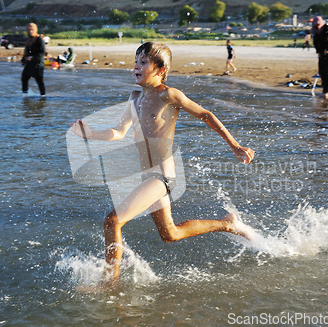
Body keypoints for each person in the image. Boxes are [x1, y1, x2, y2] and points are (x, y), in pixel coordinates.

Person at [70, 42, 255, 285]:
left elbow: (205, 114)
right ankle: (228, 224)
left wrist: (234, 145)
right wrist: (90, 133)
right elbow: (118, 132)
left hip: (162, 177)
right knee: (171, 233)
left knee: (112, 221)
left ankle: (108, 284)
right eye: (136, 60)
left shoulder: (169, 95)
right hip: (148, 177)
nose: (136, 66)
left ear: (161, 69)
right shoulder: (135, 98)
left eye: (143, 62)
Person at [312, 16, 328, 100]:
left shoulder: (327, 28)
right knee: (321, 72)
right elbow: (315, 42)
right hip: (321, 53)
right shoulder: (315, 30)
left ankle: (327, 91)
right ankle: (324, 90)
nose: (317, 26)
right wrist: (318, 51)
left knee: (326, 72)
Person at [21, 23, 46, 96]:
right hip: (30, 63)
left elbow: (42, 51)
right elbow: (27, 52)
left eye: (32, 30)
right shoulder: (29, 40)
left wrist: (33, 57)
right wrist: (23, 59)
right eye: (29, 30)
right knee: (24, 77)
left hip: (38, 63)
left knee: (39, 80)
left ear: (35, 30)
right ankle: (25, 95)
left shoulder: (39, 39)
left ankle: (43, 96)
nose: (30, 31)